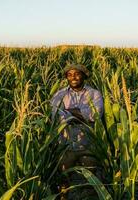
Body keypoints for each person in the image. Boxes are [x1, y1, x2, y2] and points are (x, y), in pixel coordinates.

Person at [51, 63, 104, 198]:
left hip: (88, 145)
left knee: (91, 180)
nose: (73, 77)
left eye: (77, 74)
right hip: (66, 145)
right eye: (69, 75)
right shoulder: (59, 94)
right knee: (63, 180)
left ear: (83, 76)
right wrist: (82, 114)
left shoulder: (94, 94)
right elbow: (55, 115)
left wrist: (69, 112)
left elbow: (96, 115)